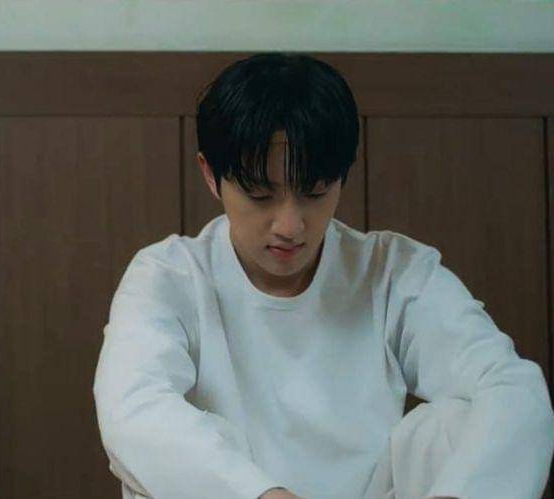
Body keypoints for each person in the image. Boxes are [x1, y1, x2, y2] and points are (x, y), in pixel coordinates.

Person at [93, 53, 554, 499]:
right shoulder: (169, 276)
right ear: (211, 175)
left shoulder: (393, 271)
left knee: (466, 419)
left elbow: (511, 386)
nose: (290, 225)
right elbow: (132, 407)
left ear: (341, 176)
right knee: (161, 449)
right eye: (260, 195)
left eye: (314, 192)